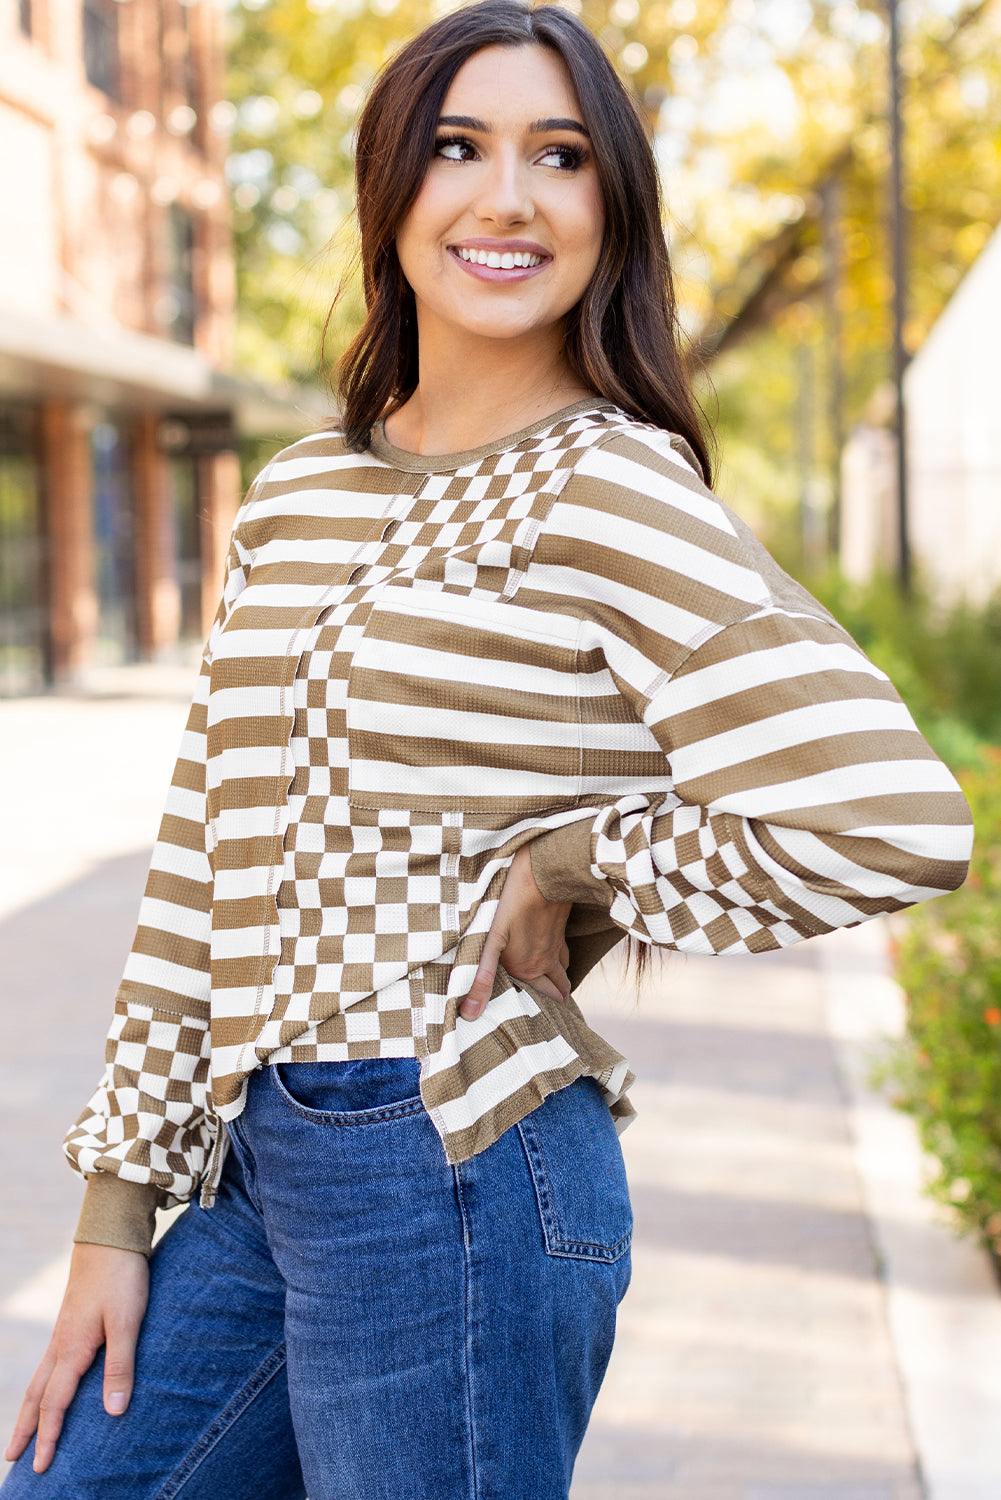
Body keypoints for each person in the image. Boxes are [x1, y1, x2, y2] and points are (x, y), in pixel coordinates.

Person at [3, 3, 972, 1497]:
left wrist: (579, 865)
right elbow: (204, 850)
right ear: (391, 187)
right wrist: (114, 1214)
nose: (503, 196)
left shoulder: (609, 486)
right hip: (256, 1168)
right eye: (455, 146)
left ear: (610, 209)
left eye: (559, 155)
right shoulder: (299, 490)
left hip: (455, 1166)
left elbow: (889, 815)